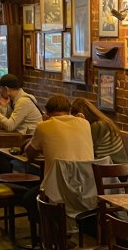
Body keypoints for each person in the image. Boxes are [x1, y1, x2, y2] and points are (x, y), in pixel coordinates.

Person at [22, 93, 94, 225]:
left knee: (28, 198)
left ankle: (51, 236)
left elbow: (30, 153)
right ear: (69, 110)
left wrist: (44, 123)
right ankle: (63, 233)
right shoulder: (85, 123)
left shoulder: (44, 126)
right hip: (86, 187)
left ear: (47, 113)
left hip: (57, 189)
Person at [70, 97, 128, 163]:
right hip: (117, 166)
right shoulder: (103, 122)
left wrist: (80, 125)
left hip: (115, 168)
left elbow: (83, 149)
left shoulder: (97, 126)